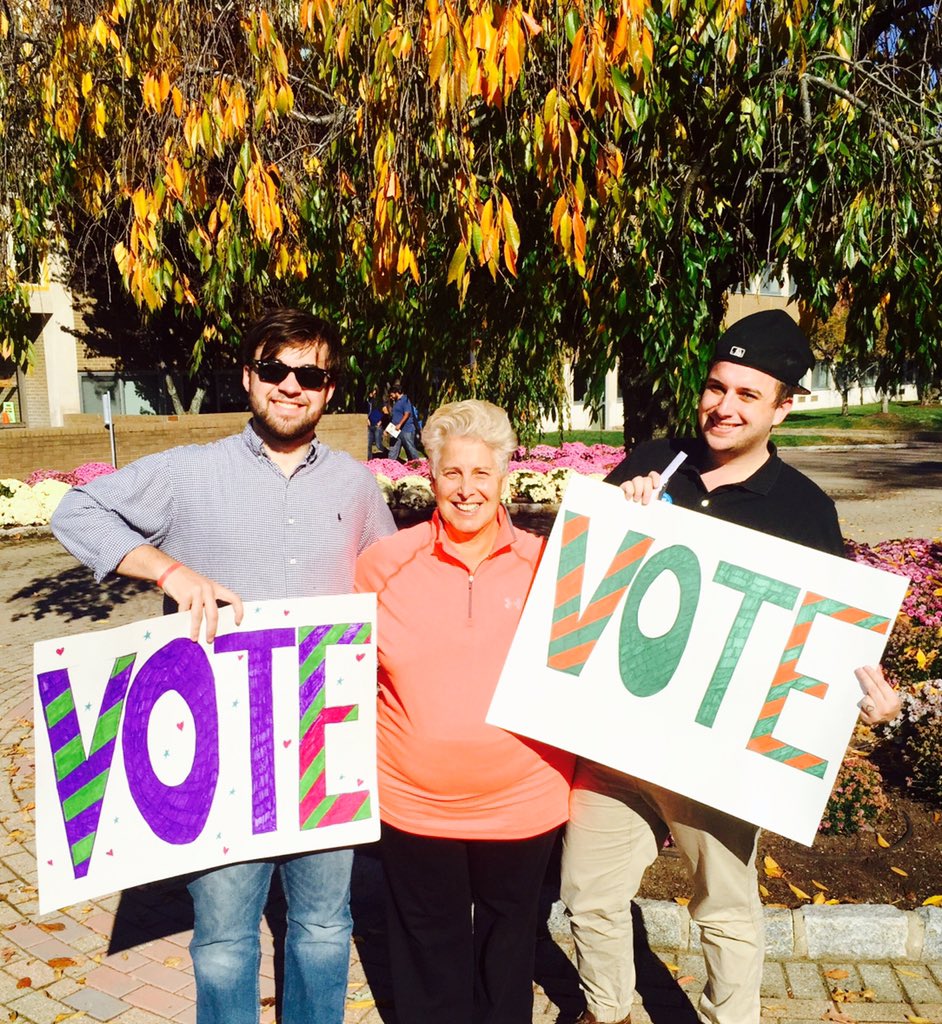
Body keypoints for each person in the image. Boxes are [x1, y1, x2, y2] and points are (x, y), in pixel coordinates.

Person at [50, 308, 397, 1024]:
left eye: (309, 375)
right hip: (218, 745)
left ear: (328, 390)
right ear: (248, 376)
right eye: (274, 370)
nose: (290, 387)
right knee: (226, 942)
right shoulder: (187, 472)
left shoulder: (357, 487)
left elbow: (389, 583)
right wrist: (168, 572)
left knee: (326, 929)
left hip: (321, 740)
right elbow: (76, 513)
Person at [561, 309, 902, 1024]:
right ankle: (609, 1010)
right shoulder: (656, 460)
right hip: (618, 735)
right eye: (718, 387)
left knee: (726, 911)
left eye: (749, 394)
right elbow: (590, 580)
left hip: (712, 753)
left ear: (783, 406)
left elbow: (829, 639)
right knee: (589, 894)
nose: (725, 406)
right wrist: (619, 513)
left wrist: (868, 701)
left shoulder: (804, 509)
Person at [354, 399, 575, 1024]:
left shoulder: (547, 566)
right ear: (430, 474)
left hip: (524, 802)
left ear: (505, 476)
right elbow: (344, 678)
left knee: (508, 954)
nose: (467, 489)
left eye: (482, 473)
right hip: (415, 803)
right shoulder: (383, 566)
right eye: (453, 473)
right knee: (430, 954)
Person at [385, 379, 422, 461]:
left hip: (406, 430)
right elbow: (395, 417)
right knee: (393, 449)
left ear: (396, 392)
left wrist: (400, 424)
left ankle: (416, 465)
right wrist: (388, 429)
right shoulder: (396, 402)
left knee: (410, 449)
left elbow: (407, 414)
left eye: (391, 395)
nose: (390, 397)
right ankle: (390, 465)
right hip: (395, 430)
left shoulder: (405, 400)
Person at [366, 384, 388, 460]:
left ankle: (387, 455)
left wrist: (381, 422)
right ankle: (369, 460)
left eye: (371, 391)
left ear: (375, 391)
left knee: (379, 445)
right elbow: (367, 412)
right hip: (370, 426)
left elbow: (386, 413)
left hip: (377, 426)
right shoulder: (369, 402)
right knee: (368, 444)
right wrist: (367, 419)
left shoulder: (380, 401)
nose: (369, 393)